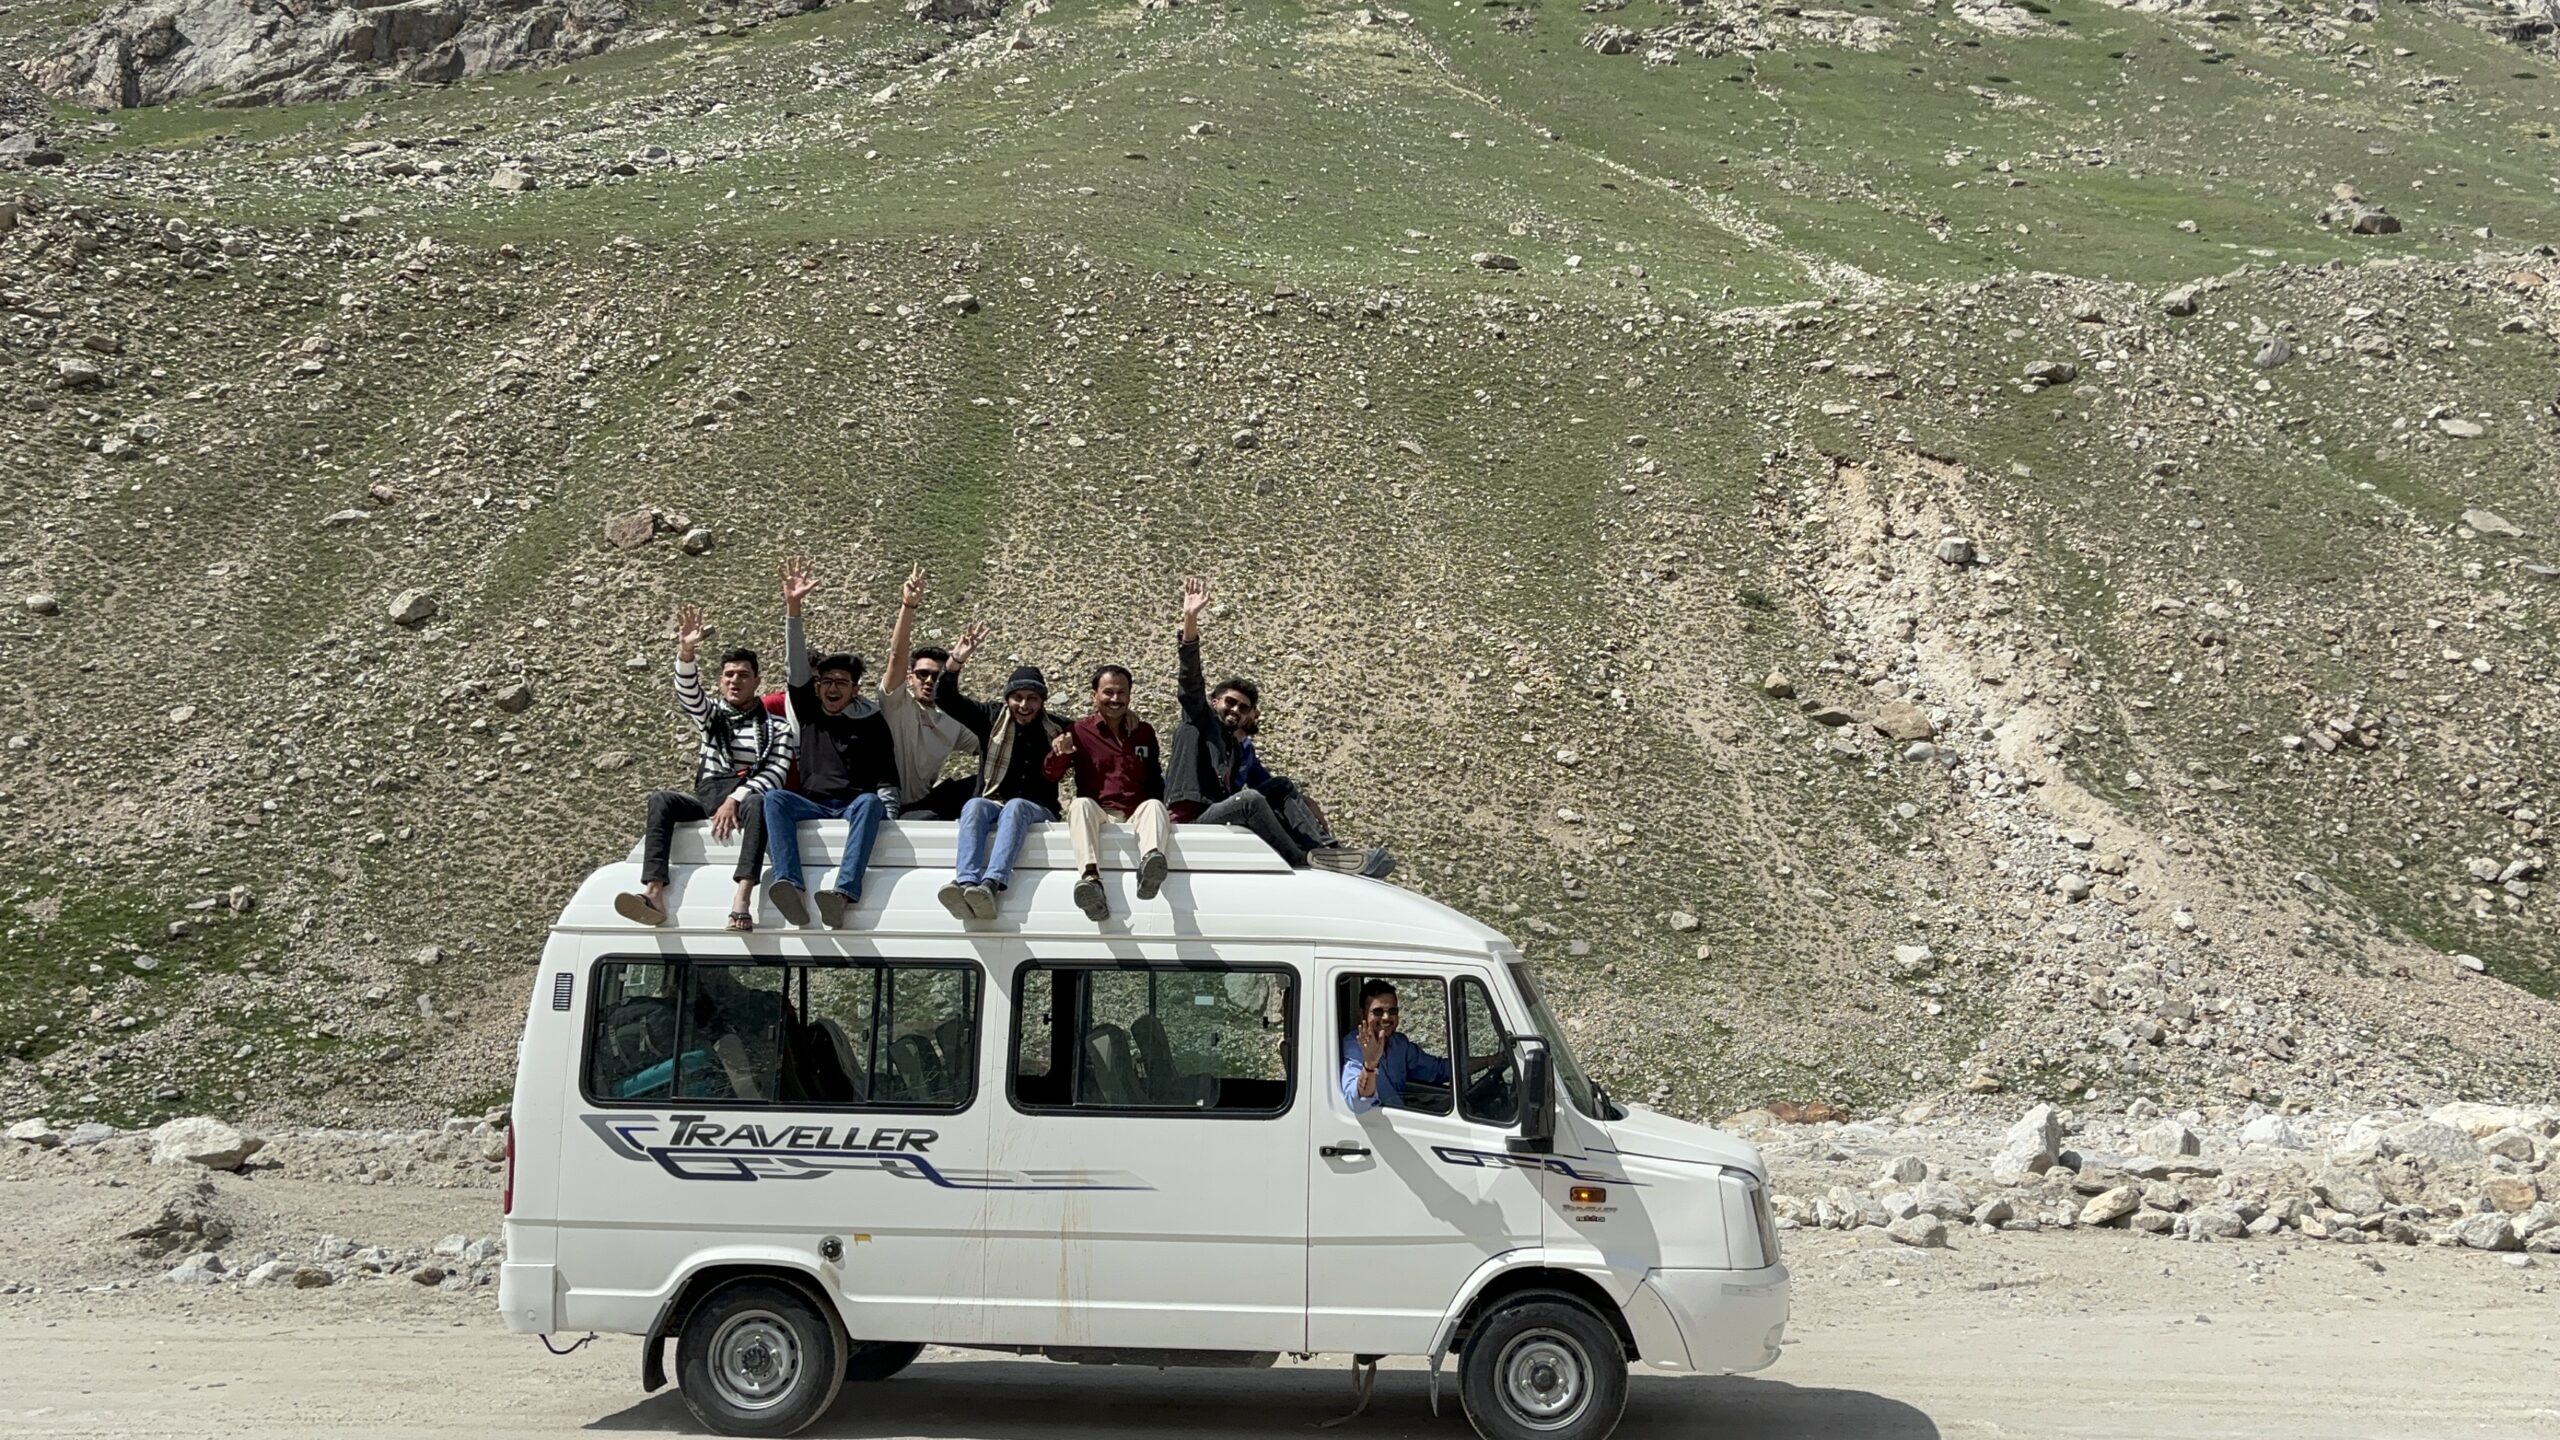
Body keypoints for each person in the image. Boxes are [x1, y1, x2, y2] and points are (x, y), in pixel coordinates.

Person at [1163, 577, 1386, 874]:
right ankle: (1297, 858)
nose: (1235, 710)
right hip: (1191, 823)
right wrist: (1190, 620)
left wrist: (1302, 802)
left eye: (1243, 708)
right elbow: (1190, 679)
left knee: (1280, 786)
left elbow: (1263, 784)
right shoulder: (1197, 721)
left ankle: (1328, 852)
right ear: (1214, 701)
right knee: (1249, 800)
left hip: (1219, 814)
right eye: (1230, 702)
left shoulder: (1235, 749)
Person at [616, 605, 795, 931]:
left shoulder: (778, 728)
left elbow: (775, 773)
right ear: (721, 681)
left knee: (760, 802)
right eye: (729, 675)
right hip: (708, 795)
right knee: (661, 800)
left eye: (743, 675)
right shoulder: (713, 716)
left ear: (757, 681)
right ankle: (653, 892)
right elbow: (689, 695)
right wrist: (686, 652)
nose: (735, 681)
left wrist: (735, 799)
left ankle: (742, 898)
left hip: (746, 799)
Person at [762, 558, 901, 929]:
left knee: (871, 802)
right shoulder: (809, 711)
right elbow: (795, 666)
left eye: (841, 682)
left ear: (855, 689)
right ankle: (790, 884)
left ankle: (843, 893)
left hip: (853, 804)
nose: (832, 688)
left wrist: (890, 816)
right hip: (813, 803)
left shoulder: (872, 721)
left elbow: (886, 775)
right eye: (826, 681)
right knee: (774, 799)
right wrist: (794, 608)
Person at [932, 623, 1071, 920]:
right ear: (1008, 698)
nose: (1024, 705)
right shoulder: (991, 718)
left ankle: (992, 883)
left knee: (1016, 807)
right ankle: (965, 881)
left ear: (1042, 701)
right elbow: (945, 699)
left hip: (1039, 809)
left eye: (1032, 698)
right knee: (973, 805)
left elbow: (1094, 732)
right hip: (993, 800)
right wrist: (955, 662)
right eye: (1017, 697)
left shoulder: (1058, 728)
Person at [1061, 661, 1170, 922]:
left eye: (1121, 693)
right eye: (1108, 692)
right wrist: (1060, 754)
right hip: (1100, 813)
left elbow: (1155, 778)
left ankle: (1150, 868)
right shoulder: (1078, 731)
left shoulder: (1144, 732)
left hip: (1135, 814)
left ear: (1130, 696)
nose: (1115, 699)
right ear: (1094, 695)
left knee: (1155, 805)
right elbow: (1051, 773)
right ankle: (1090, 880)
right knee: (1079, 805)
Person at [876, 564, 982, 821]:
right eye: (922, 674)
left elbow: (992, 744)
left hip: (925, 803)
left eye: (937, 676)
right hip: (885, 802)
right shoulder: (897, 705)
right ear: (910, 677)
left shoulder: (952, 722)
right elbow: (896, 657)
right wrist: (908, 605)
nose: (929, 681)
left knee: (987, 782)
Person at [1341, 979, 1451, 1114]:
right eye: (1378, 1012)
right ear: (1362, 1014)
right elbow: (1357, 1103)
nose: (1386, 1017)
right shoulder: (1353, 1047)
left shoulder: (1399, 1044)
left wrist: (1476, 1063)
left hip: (1401, 1118)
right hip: (1375, 1124)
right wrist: (1370, 1065)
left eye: (1392, 1011)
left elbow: (1436, 1070)